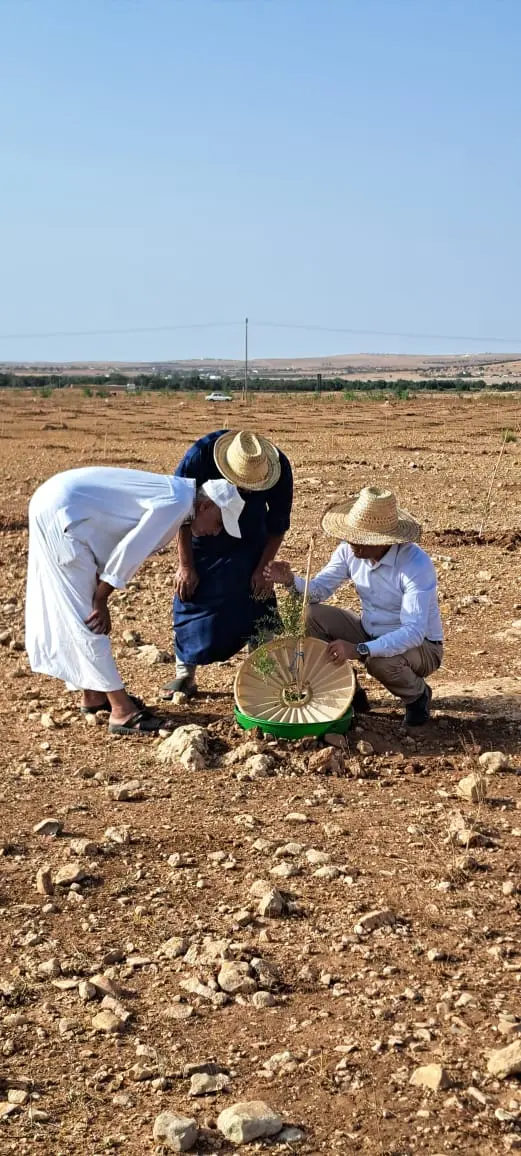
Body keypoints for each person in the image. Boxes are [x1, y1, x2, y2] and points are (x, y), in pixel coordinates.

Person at [25, 465, 244, 734]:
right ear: (208, 506)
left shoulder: (178, 495)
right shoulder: (176, 503)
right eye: (220, 523)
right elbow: (131, 549)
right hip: (62, 514)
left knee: (82, 611)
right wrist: (102, 597)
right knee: (88, 618)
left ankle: (94, 695)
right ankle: (121, 711)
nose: (215, 532)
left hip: (61, 507)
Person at [264, 486, 443, 726]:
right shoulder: (350, 552)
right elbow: (319, 590)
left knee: (379, 662)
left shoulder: (415, 565)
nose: (351, 543)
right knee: (310, 615)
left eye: (359, 539)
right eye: (350, 536)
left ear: (383, 540)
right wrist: (290, 581)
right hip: (369, 630)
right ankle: (349, 689)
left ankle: (417, 696)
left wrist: (359, 649)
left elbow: (413, 632)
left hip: (422, 647)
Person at [161, 429, 293, 699]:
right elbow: (181, 511)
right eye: (240, 482)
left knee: (257, 597)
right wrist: (185, 565)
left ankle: (260, 674)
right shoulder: (200, 456)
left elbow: (278, 525)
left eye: (251, 485)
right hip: (204, 532)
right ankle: (185, 674)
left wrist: (263, 568)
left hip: (249, 536)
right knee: (191, 597)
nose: (244, 489)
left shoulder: (278, 468)